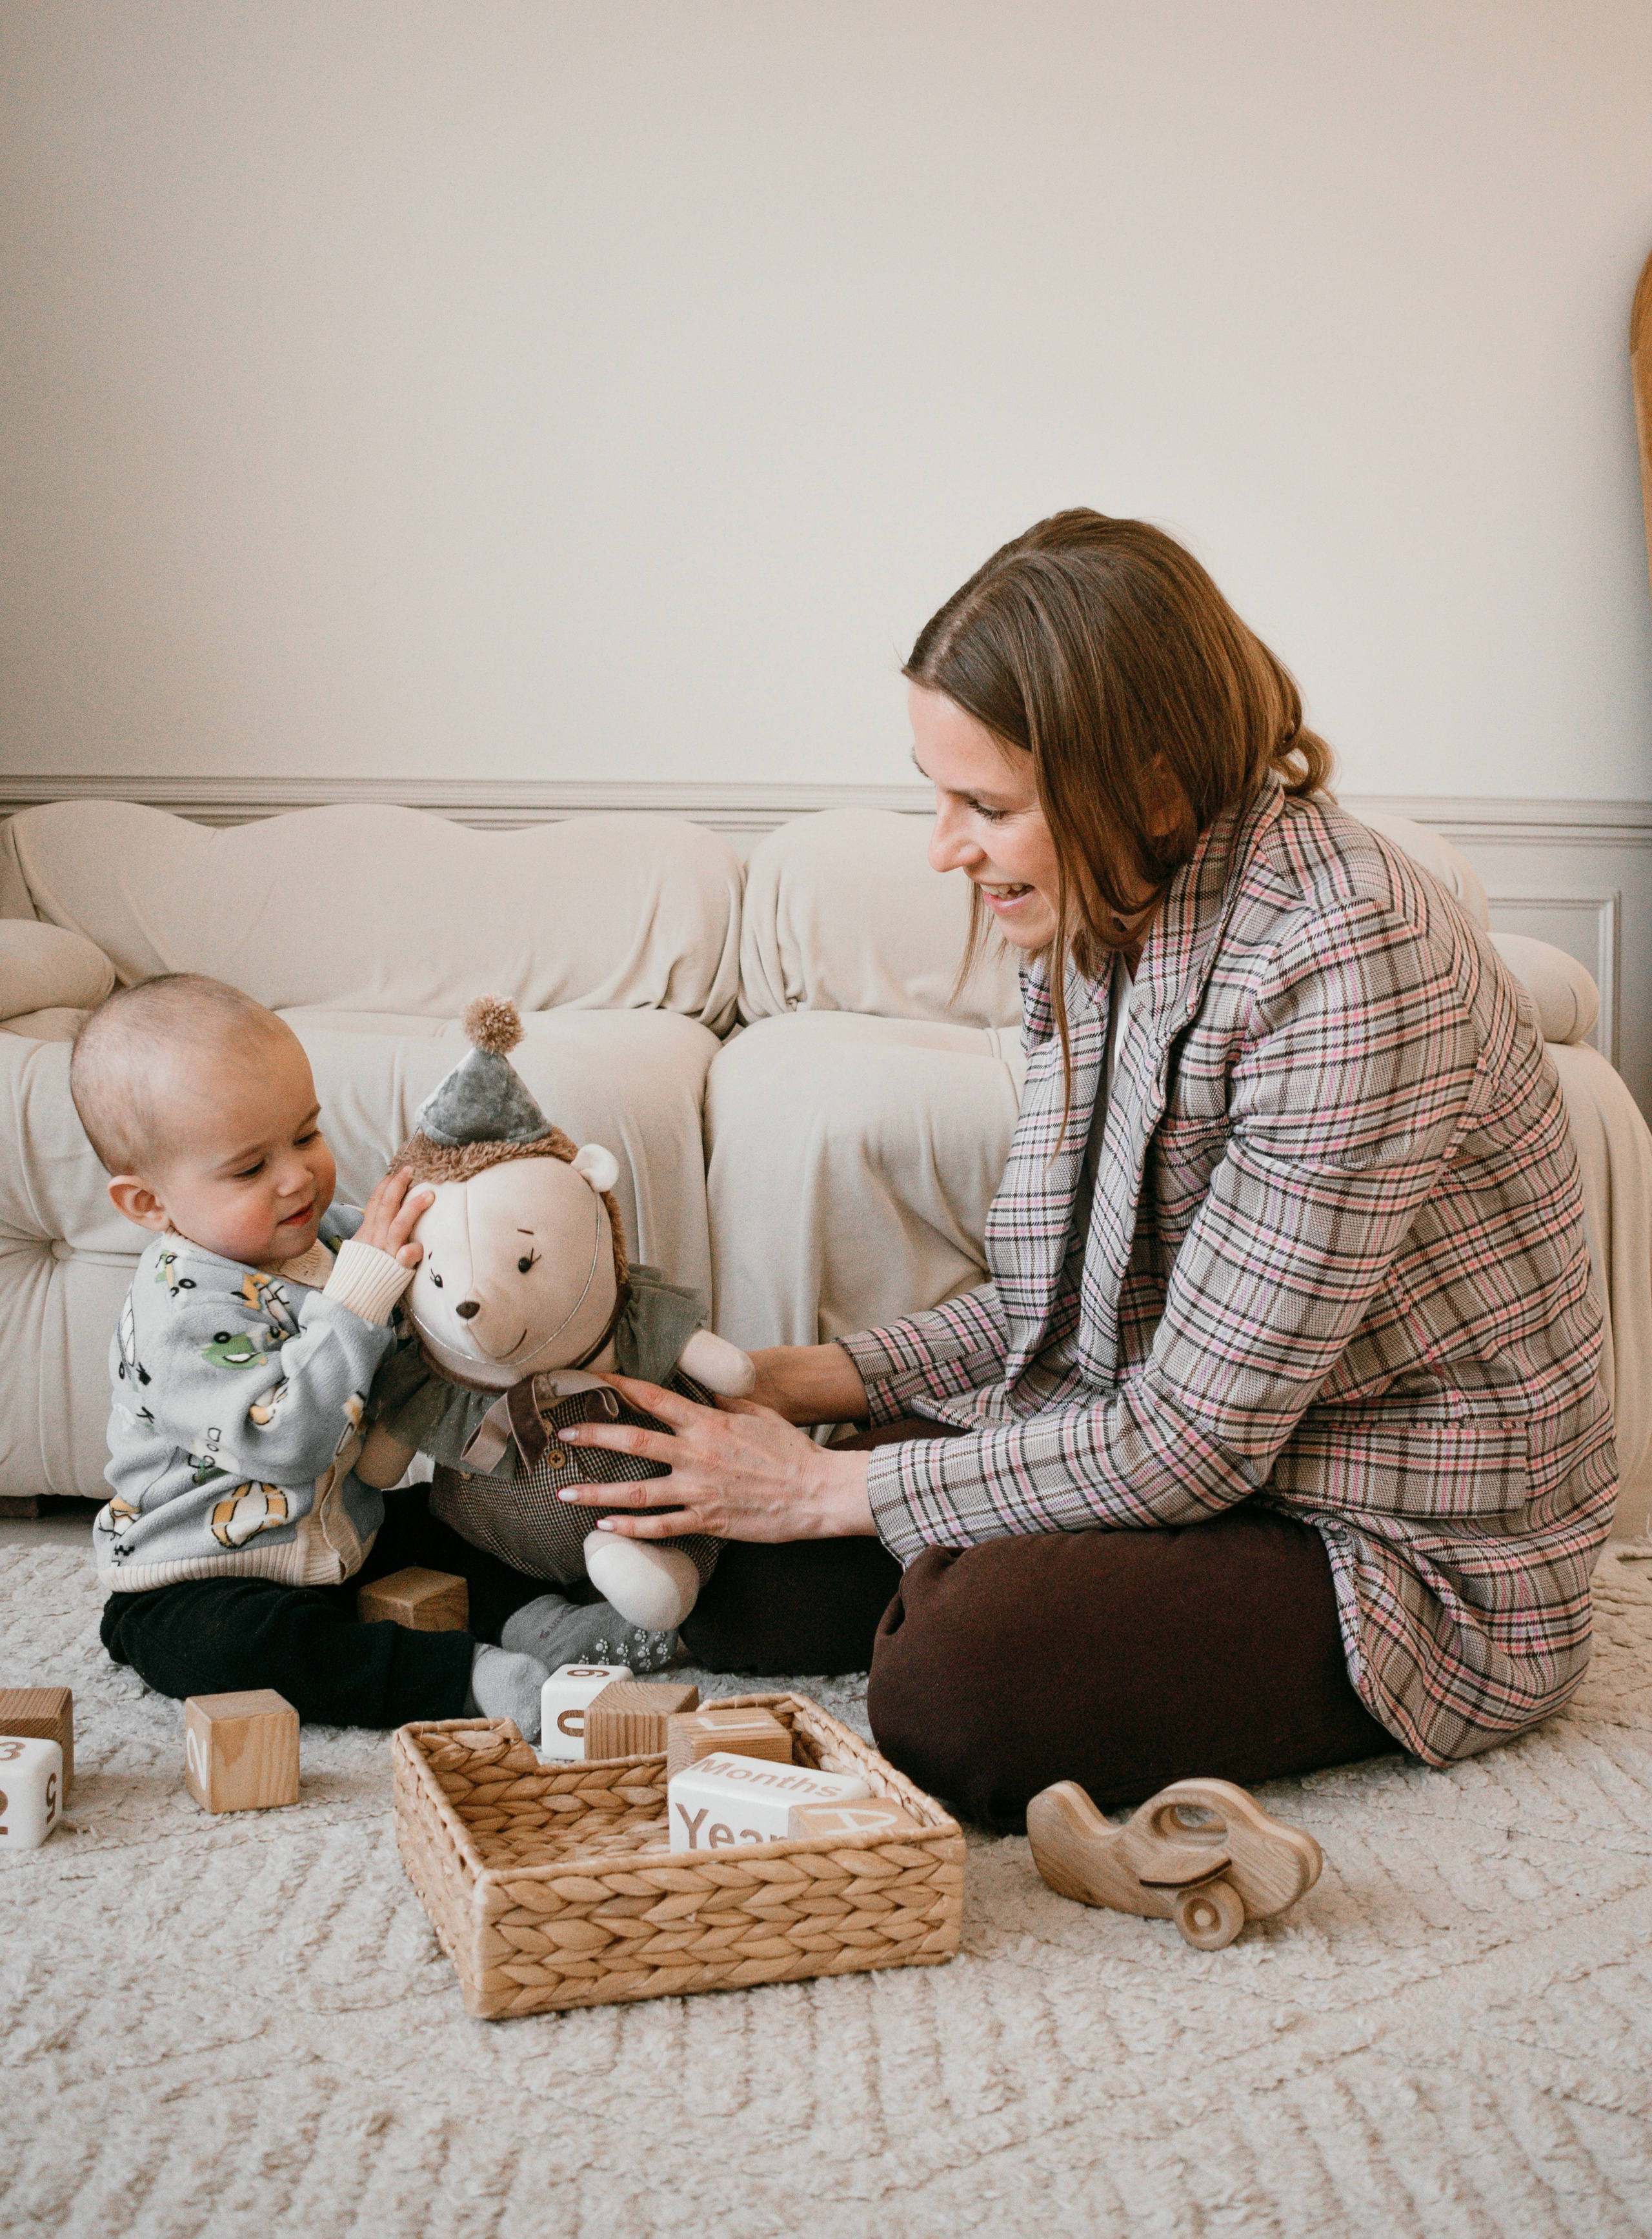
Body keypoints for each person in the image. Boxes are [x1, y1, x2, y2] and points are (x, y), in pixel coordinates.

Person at [550, 510, 1618, 1825]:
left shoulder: (1346, 959)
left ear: (1148, 787)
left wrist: (824, 1482)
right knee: (739, 1569)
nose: (943, 847)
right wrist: (800, 1383)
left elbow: (1191, 1441)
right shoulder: (1101, 910)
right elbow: (1050, 1307)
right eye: (938, 793)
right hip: (1191, 1447)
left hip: (1382, 1538)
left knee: (952, 1687)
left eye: (988, 808)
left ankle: (963, 1597)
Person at [70, 972, 610, 1738]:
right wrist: (359, 1299)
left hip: (343, 1534)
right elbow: (285, 1445)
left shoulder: (324, 1237)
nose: (297, 1177)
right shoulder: (180, 1313)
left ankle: (546, 1624)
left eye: (305, 1134)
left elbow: (424, 1293)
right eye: (250, 1168)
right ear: (150, 1203)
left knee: (449, 1518)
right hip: (202, 1574)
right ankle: (462, 1678)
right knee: (227, 1649)